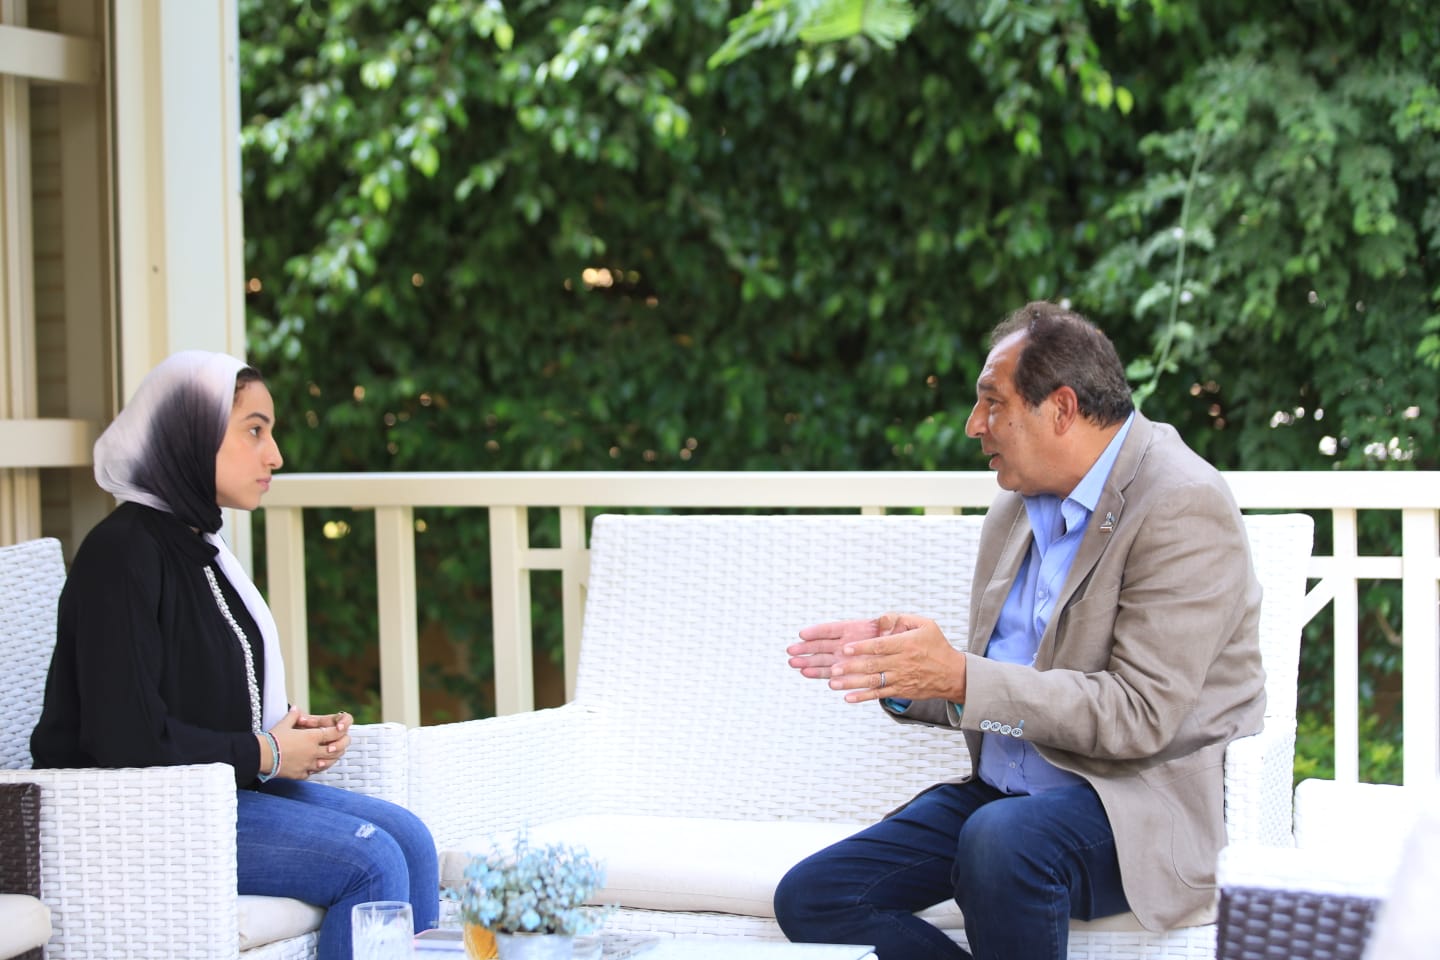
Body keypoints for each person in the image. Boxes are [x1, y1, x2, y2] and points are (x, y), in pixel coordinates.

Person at [773, 302, 1265, 960]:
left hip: (1132, 802)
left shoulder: (1181, 501)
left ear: (1061, 408)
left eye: (992, 403)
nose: (974, 425)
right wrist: (905, 672)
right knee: (814, 898)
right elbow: (1000, 681)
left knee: (1001, 839)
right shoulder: (1016, 502)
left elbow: (1140, 715)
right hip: (1007, 795)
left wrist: (959, 676)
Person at [31, 350, 439, 960]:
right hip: (132, 817)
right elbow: (125, 739)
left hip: (210, 793)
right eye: (254, 431)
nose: (274, 455)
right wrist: (266, 751)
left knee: (412, 840)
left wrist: (284, 736)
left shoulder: (197, 545)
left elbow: (193, 697)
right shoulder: (121, 555)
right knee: (372, 860)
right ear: (190, 436)